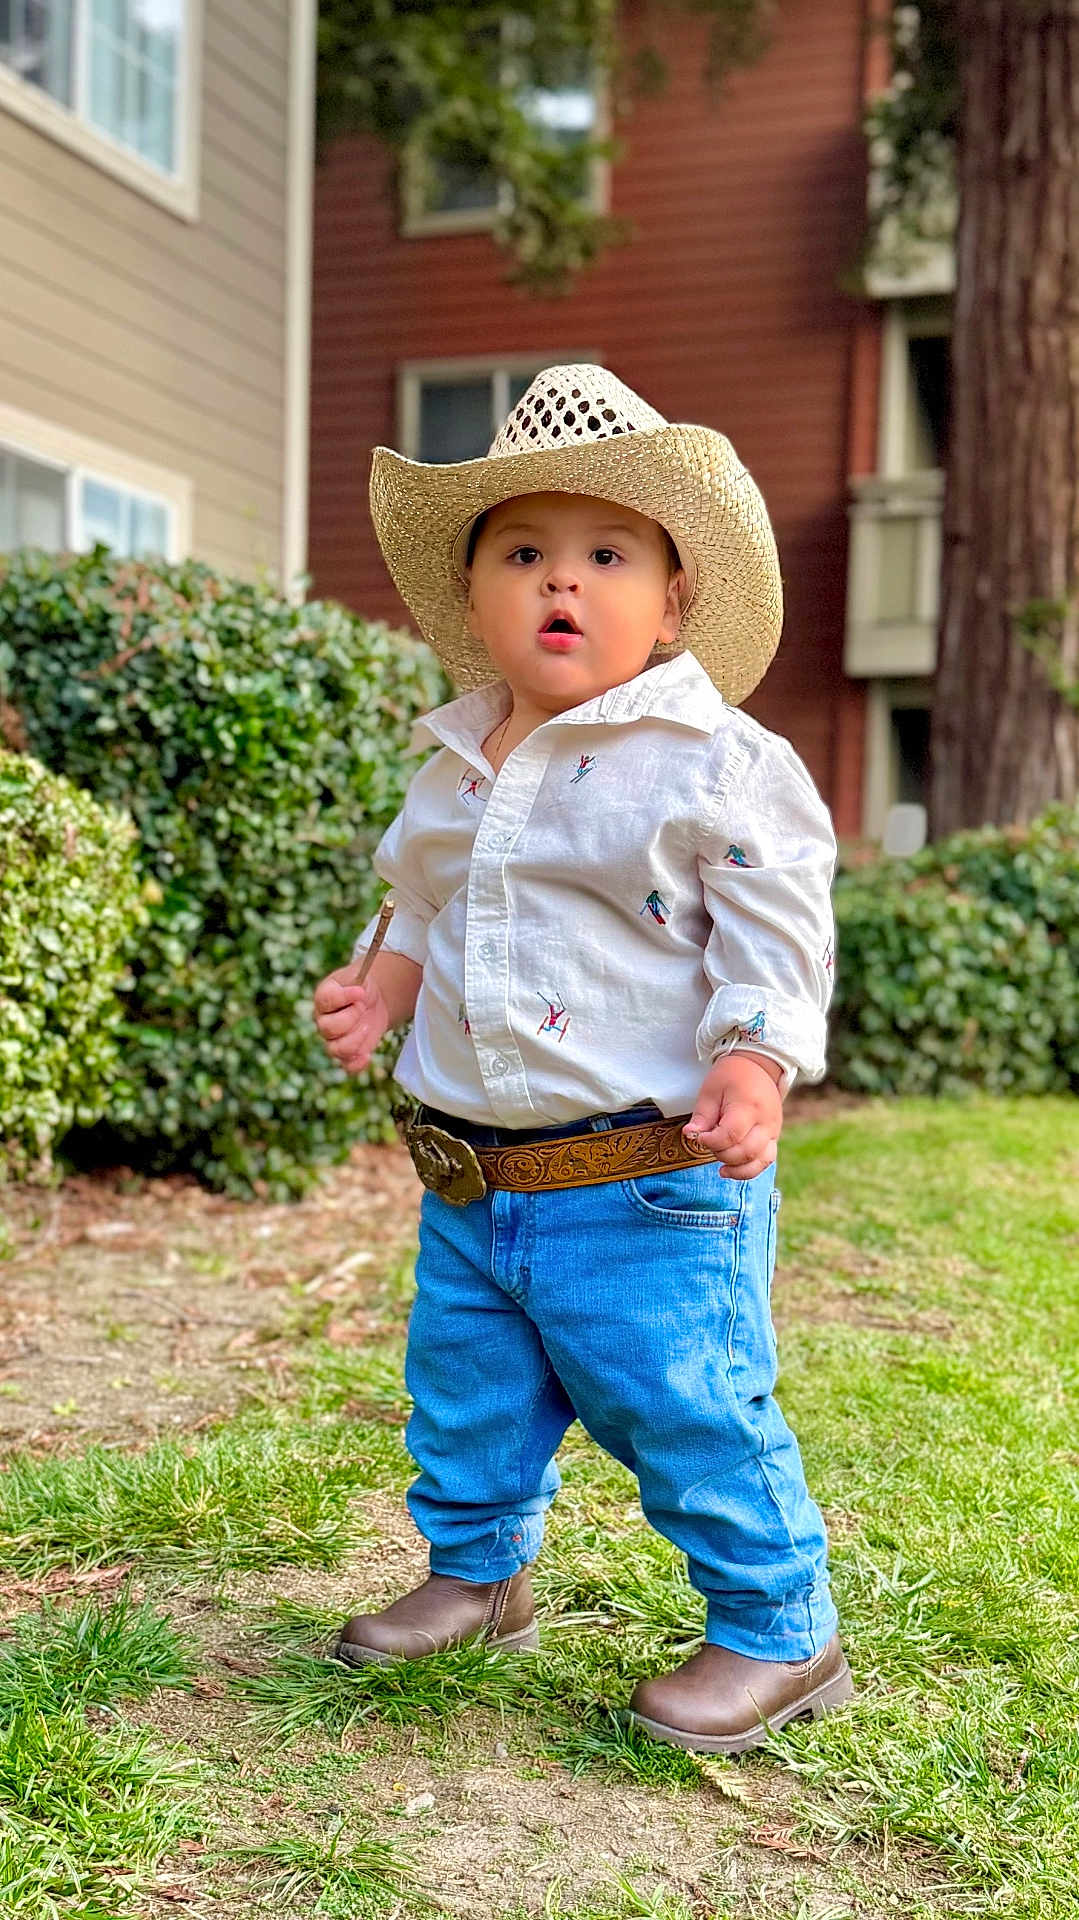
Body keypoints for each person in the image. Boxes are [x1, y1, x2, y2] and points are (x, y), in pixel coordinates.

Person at [312, 364, 852, 1755]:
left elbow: (777, 929)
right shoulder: (454, 764)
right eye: (526, 554)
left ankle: (779, 1627)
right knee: (465, 1394)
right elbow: (420, 899)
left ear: (670, 601)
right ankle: (481, 1573)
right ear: (477, 599)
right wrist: (380, 991)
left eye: (606, 554)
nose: (564, 581)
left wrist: (756, 1061)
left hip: (648, 1178)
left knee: (684, 1399)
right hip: (471, 1180)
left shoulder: (711, 761)